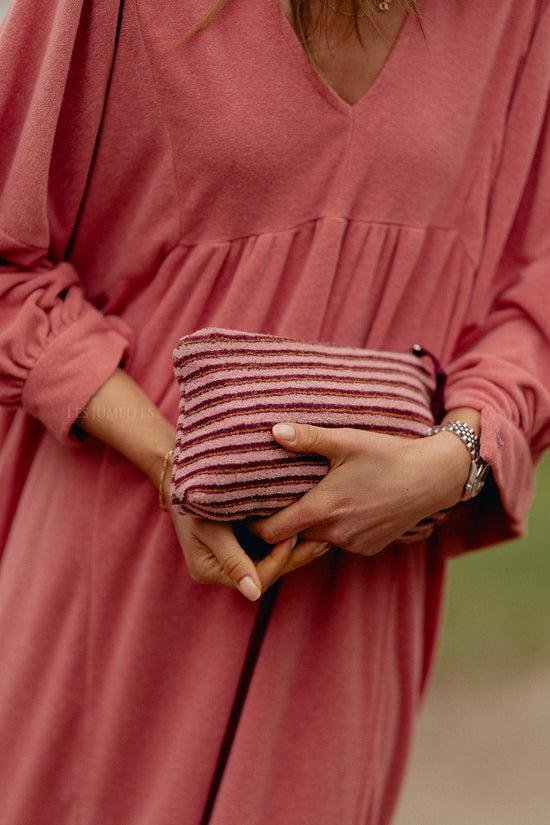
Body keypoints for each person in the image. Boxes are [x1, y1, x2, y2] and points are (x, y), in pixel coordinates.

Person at [0, 0, 549, 822]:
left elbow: (533, 289)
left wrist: (451, 458)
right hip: (118, 587)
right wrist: (171, 462)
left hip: (351, 620)